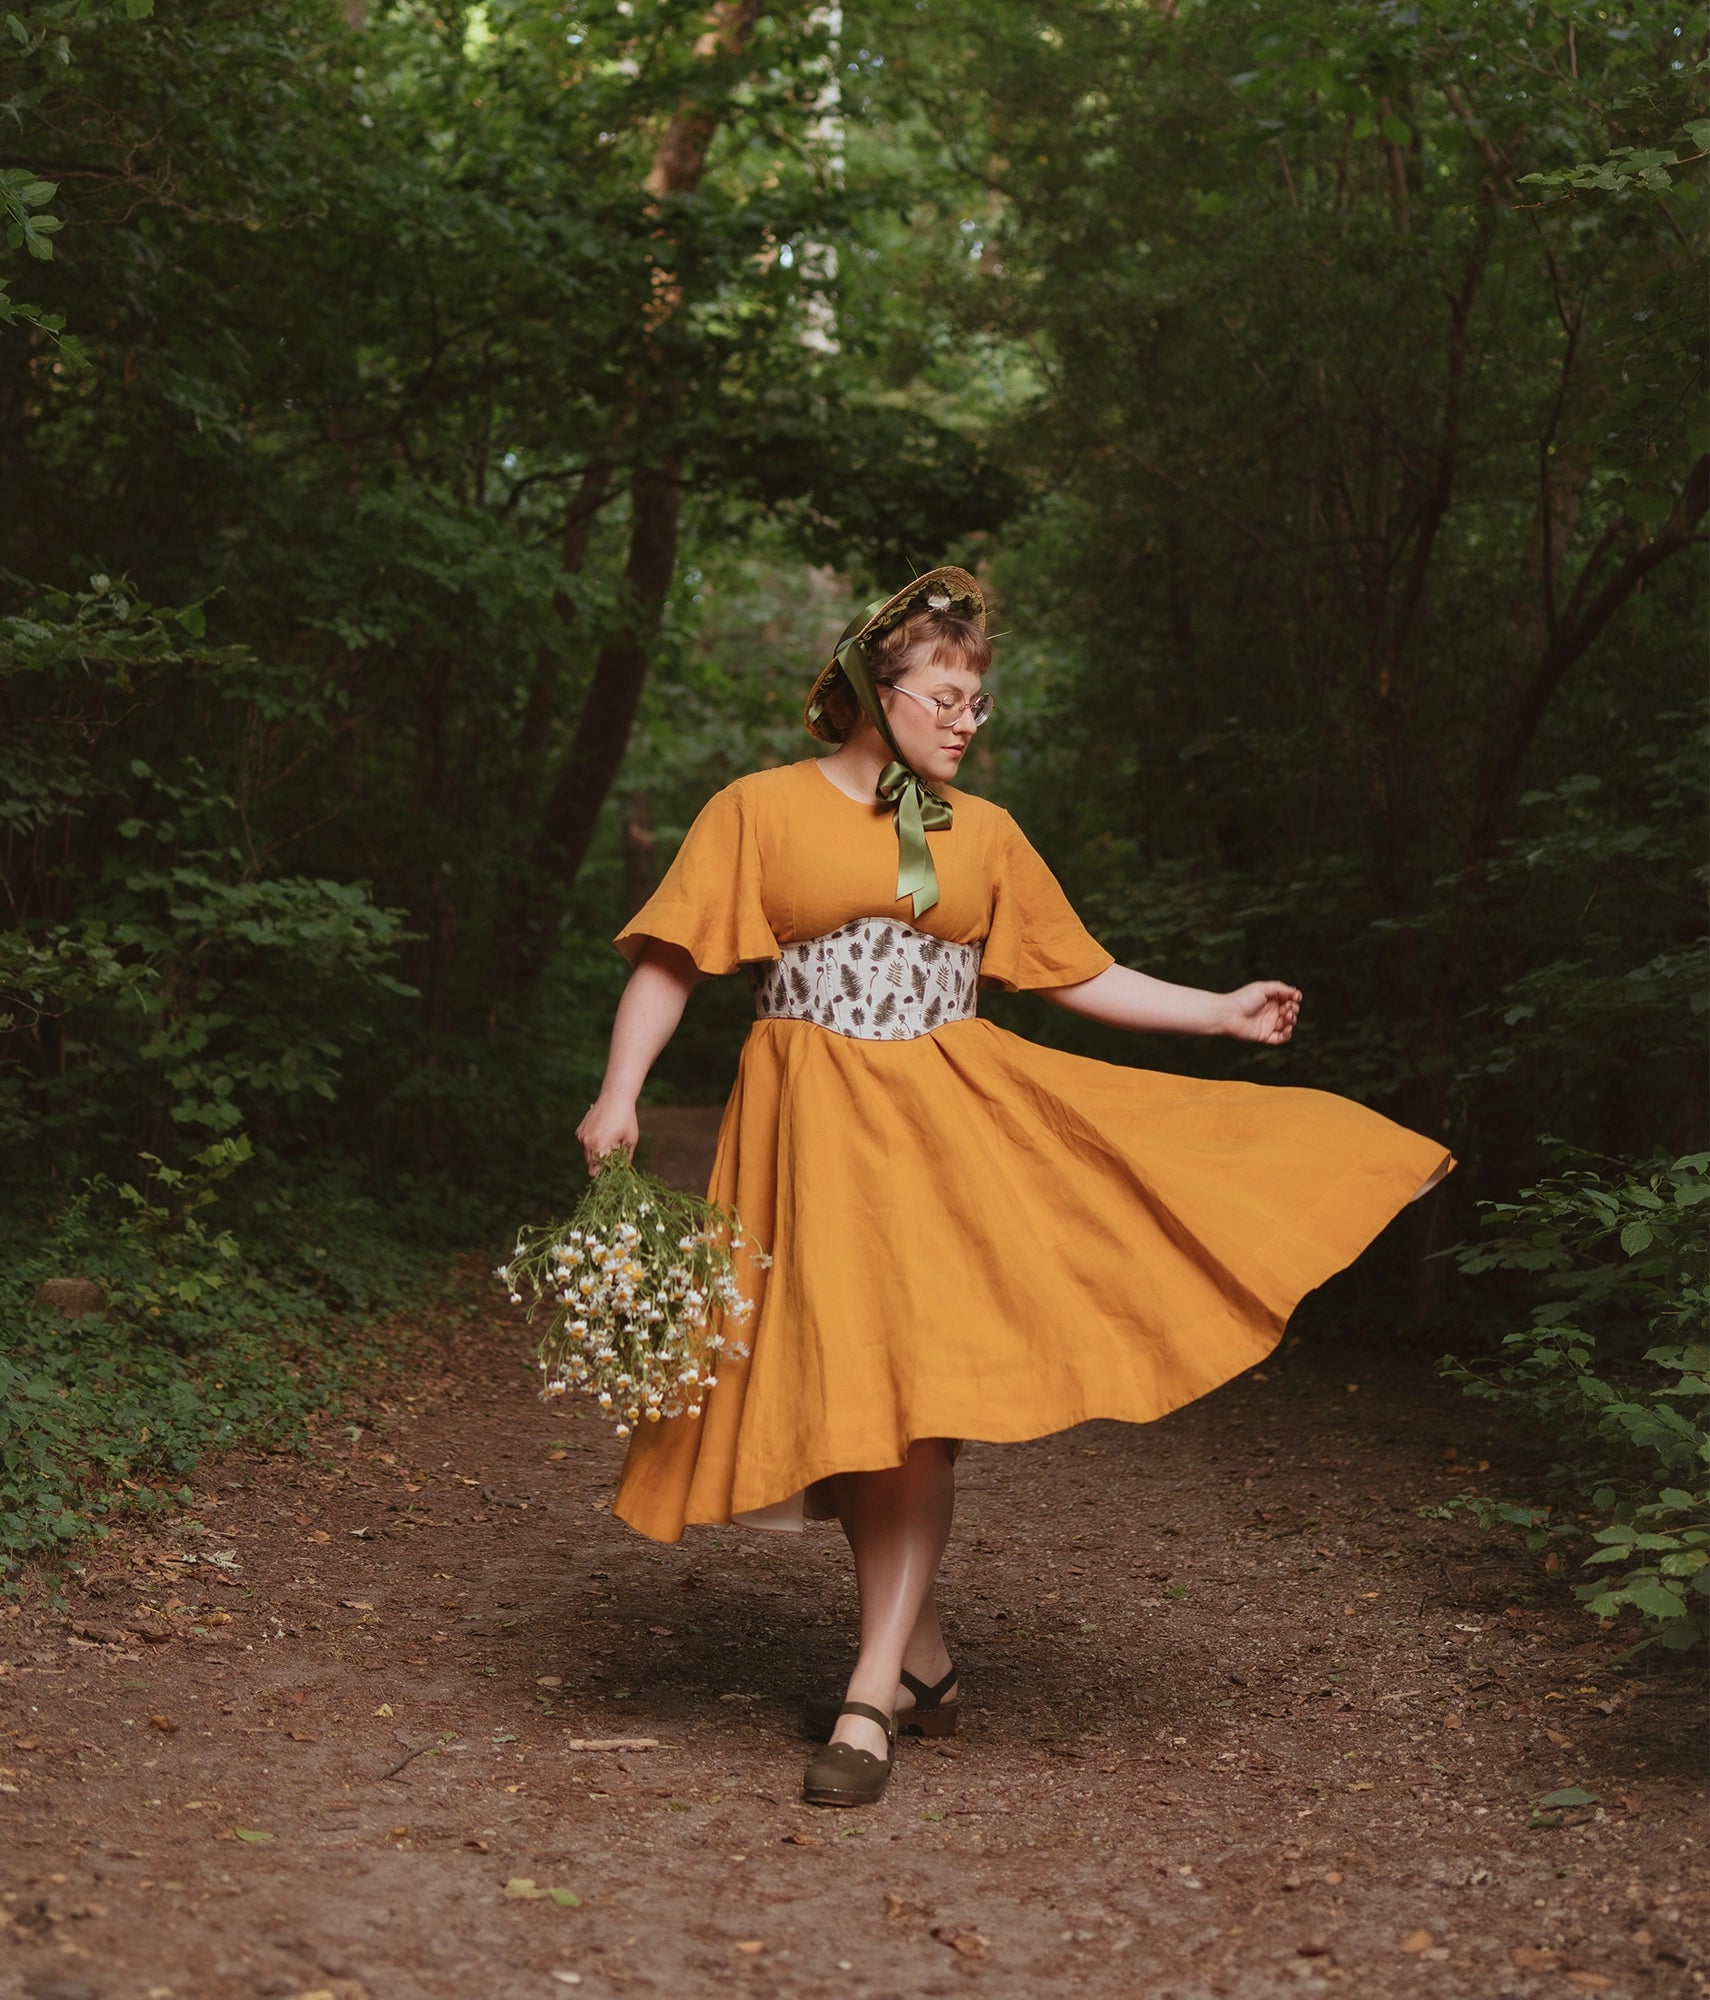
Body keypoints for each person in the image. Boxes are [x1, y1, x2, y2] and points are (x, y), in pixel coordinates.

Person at [575, 568, 1452, 1808]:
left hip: (949, 1123)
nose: (967, 717)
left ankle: (869, 1690)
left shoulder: (980, 833)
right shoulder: (757, 809)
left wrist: (1216, 1009)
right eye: (945, 693)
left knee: (916, 1394)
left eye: (978, 698)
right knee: (845, 1387)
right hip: (807, 1128)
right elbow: (672, 959)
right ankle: (922, 1653)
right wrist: (620, 1092)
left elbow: (1073, 970)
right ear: (871, 691)